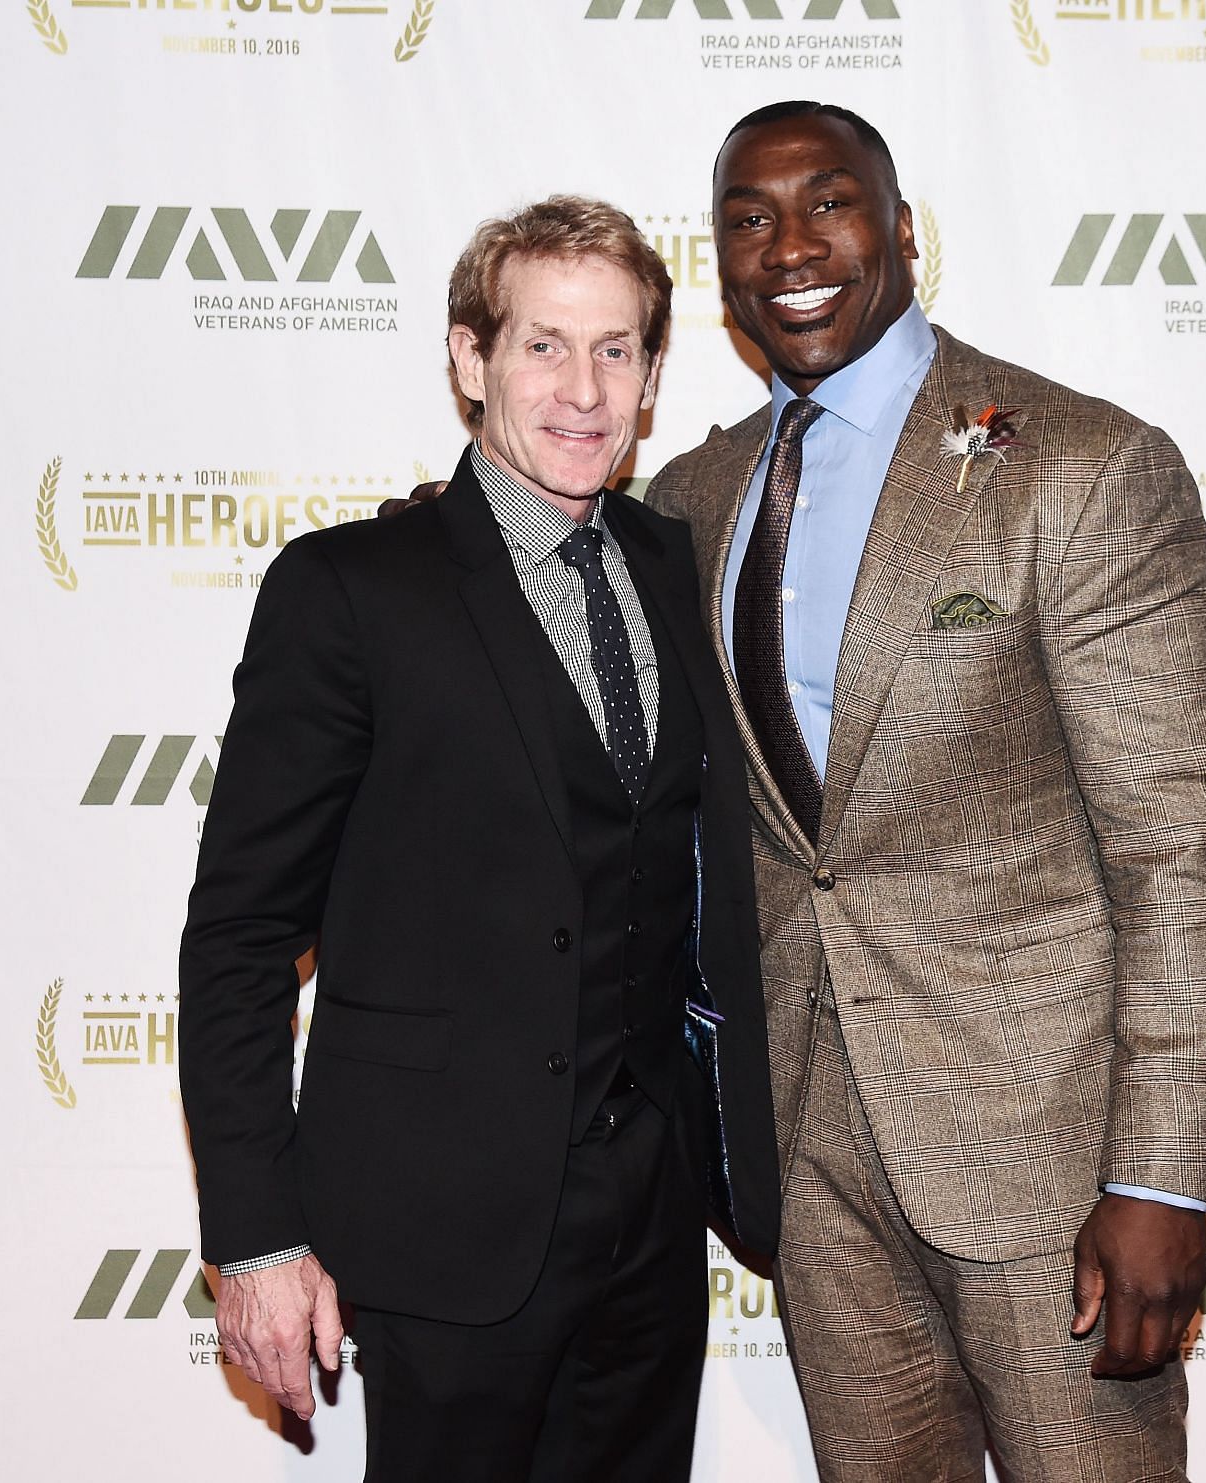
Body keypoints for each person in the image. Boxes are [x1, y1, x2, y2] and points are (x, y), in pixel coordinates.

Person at [643, 103, 1206, 1482]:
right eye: (750, 217)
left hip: (1048, 1160)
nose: (790, 244)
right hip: (810, 1151)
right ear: (723, 263)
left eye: (829, 203)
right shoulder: (695, 494)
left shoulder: (1081, 468)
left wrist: (1159, 1175)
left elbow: (1177, 841)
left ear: (903, 232)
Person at [178, 195, 780, 1483]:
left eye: (615, 350)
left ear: (655, 376)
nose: (581, 389)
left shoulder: (677, 565)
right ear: (471, 360)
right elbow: (236, 937)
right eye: (543, 346)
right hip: (440, 1225)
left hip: (652, 1230)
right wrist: (255, 1235)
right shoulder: (348, 592)